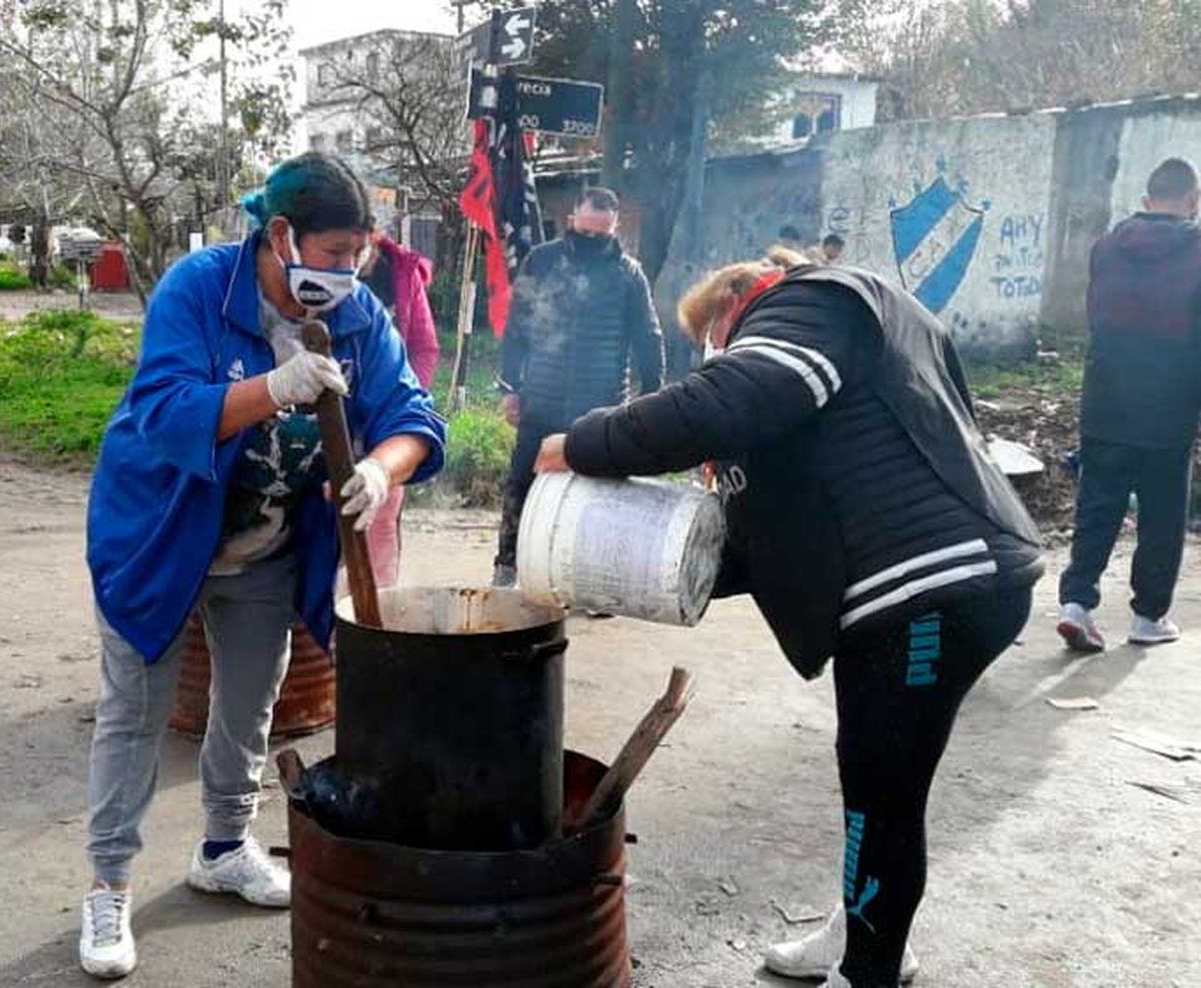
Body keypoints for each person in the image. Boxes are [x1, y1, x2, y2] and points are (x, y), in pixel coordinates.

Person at [533, 248, 1043, 988]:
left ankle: (869, 969)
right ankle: (866, 935)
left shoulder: (814, 303)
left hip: (927, 588)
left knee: (883, 792)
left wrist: (582, 443)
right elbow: (769, 533)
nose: (715, 357)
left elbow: (725, 401)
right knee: (879, 782)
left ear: (736, 303)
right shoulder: (843, 350)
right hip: (931, 586)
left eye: (715, 340)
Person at [79, 152, 445, 979]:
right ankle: (108, 883)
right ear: (280, 234)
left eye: (359, 253)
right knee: (134, 715)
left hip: (265, 552)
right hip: (161, 540)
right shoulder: (198, 289)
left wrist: (382, 469)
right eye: (333, 250)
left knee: (249, 707)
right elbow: (166, 410)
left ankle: (223, 847)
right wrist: (277, 387)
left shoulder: (358, 316)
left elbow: (412, 412)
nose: (346, 271)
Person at [1057, 157, 1201, 652]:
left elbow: (1098, 314)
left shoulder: (1107, 247)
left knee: (1097, 506)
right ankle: (1147, 617)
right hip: (1169, 409)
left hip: (1105, 401)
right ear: (1193, 201)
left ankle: (1076, 604)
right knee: (1162, 515)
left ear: (1145, 201)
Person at [492, 186, 665, 587]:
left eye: (600, 235)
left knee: (600, 499)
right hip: (542, 399)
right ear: (573, 220)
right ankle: (506, 568)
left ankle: (594, 583)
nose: (591, 241)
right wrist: (511, 388)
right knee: (522, 481)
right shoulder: (542, 260)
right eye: (585, 232)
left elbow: (648, 337)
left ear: (614, 228)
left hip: (602, 407)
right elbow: (516, 327)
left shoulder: (628, 274)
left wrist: (652, 395)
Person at [359, 231, 441, 586]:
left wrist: (405, 404)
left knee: (380, 523)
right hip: (319, 412)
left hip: (385, 419)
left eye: (359, 245)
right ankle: (321, 626)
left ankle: (375, 618)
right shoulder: (313, 271)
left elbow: (424, 347)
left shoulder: (403, 272)